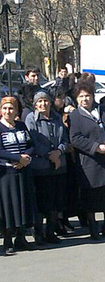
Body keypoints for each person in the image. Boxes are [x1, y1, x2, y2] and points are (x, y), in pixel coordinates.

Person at [69, 82, 105, 239]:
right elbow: (75, 138)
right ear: (77, 99)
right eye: (81, 97)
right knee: (91, 197)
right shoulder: (75, 116)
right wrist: (96, 147)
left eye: (87, 96)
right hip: (90, 161)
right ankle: (93, 227)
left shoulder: (102, 110)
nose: (85, 99)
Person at [25, 90, 68, 244]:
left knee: (55, 201)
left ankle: (51, 231)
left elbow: (64, 139)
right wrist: (50, 155)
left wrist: (58, 152)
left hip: (58, 166)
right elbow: (32, 142)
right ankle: (38, 233)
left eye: (45, 101)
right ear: (35, 104)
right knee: (41, 201)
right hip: (40, 167)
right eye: (39, 102)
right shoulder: (31, 119)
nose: (43, 104)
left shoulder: (57, 118)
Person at [0, 96, 36, 255]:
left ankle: (21, 238)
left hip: (23, 170)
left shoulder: (21, 125)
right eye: (5, 108)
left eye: (11, 108)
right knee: (9, 207)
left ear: (16, 110)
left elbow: (31, 145)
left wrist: (25, 158)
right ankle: (8, 239)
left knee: (23, 204)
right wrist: (17, 158)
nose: (8, 111)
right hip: (6, 173)